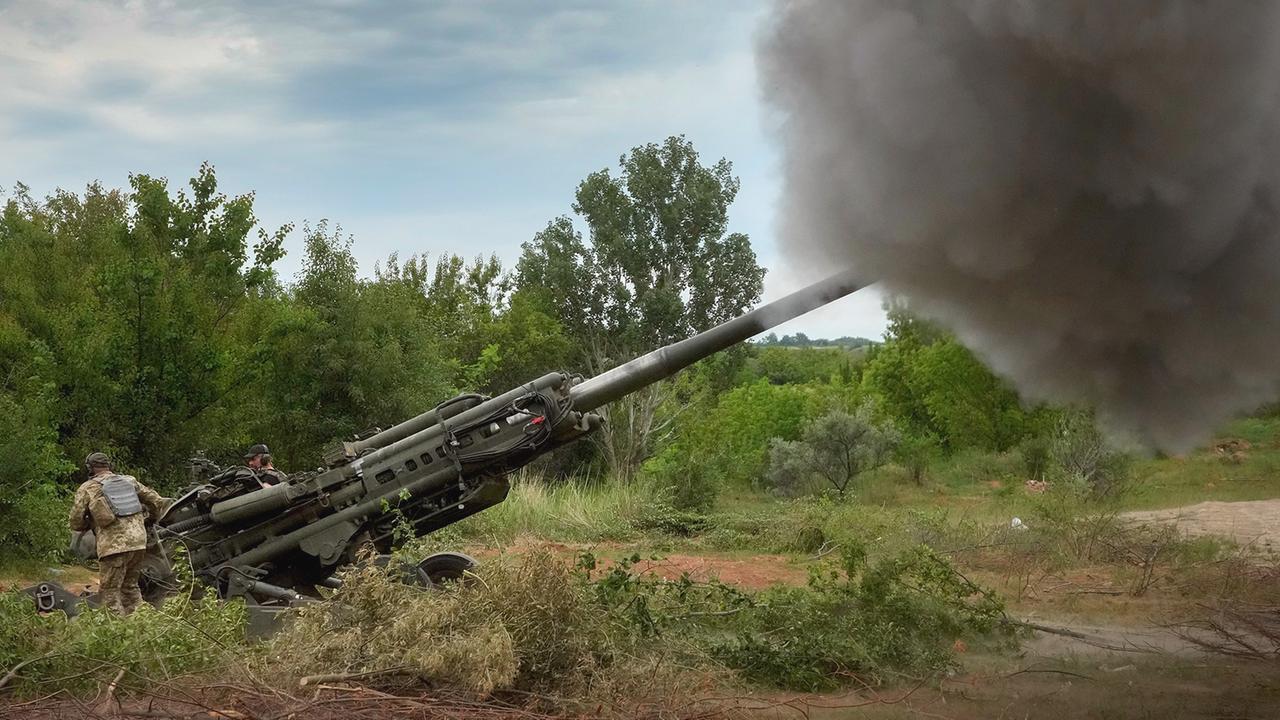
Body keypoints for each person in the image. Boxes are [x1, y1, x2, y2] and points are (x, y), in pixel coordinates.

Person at [68, 453, 168, 615]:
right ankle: (143, 624)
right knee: (130, 587)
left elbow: (75, 522)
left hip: (113, 546)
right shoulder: (130, 481)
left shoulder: (88, 488)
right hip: (138, 543)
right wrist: (150, 520)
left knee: (110, 592)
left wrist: (90, 522)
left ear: (90, 468)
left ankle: (117, 633)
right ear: (109, 466)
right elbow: (157, 501)